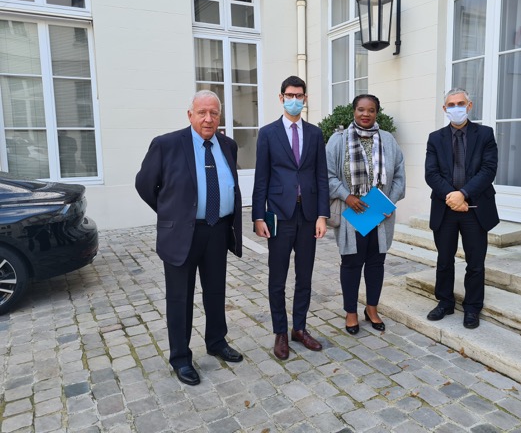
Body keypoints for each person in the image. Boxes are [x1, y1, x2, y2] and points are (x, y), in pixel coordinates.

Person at [135, 90, 244, 386]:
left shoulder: (228, 145)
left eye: (214, 113)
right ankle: (181, 357)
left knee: (215, 291)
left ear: (219, 116)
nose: (208, 119)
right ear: (190, 115)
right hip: (182, 234)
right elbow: (144, 185)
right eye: (202, 113)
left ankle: (217, 341)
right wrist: (172, 213)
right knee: (180, 297)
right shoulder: (166, 144)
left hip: (218, 230)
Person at [252, 76, 330, 360]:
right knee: (278, 277)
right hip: (279, 215)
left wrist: (322, 215)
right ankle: (280, 332)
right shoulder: (268, 133)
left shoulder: (315, 133)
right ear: (281, 97)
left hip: (308, 215)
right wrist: (258, 216)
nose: (294, 100)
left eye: (299, 95)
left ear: (305, 99)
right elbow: (261, 177)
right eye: (289, 95)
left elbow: (321, 177)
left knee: (304, 275)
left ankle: (299, 328)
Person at [326, 94, 405, 334]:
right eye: (361, 109)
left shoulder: (388, 140)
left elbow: (399, 174)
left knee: (376, 263)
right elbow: (326, 175)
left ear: (376, 113)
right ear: (354, 111)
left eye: (371, 110)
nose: (366, 114)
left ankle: (372, 309)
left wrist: (389, 202)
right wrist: (346, 196)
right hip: (352, 212)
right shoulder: (338, 140)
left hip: (380, 214)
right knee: (351, 263)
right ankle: (351, 312)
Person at [424, 87, 499, 329]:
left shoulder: (485, 134)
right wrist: (452, 196)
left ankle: (472, 307)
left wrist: (463, 194)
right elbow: (431, 173)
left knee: (475, 263)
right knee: (444, 260)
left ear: (469, 106)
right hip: (445, 208)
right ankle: (445, 302)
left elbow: (488, 170)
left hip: (475, 208)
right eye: (451, 104)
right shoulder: (435, 138)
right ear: (444, 109)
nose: (456, 108)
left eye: (460, 103)